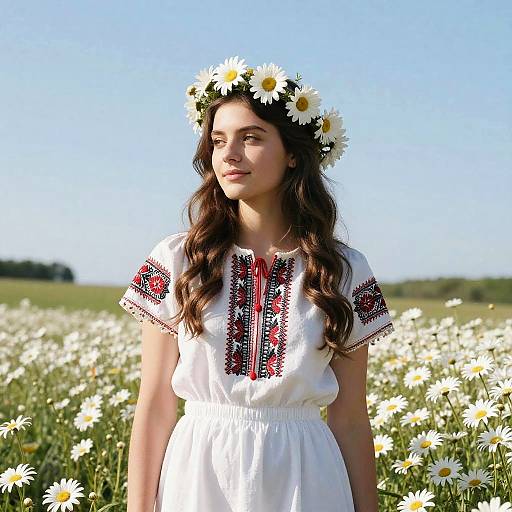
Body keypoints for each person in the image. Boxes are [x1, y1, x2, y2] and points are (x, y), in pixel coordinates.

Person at [119, 56, 395, 512]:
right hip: (199, 473)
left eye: (251, 138)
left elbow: (350, 419)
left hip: (306, 475)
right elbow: (154, 406)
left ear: (292, 153)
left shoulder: (344, 269)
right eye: (219, 140)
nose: (229, 154)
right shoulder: (176, 258)